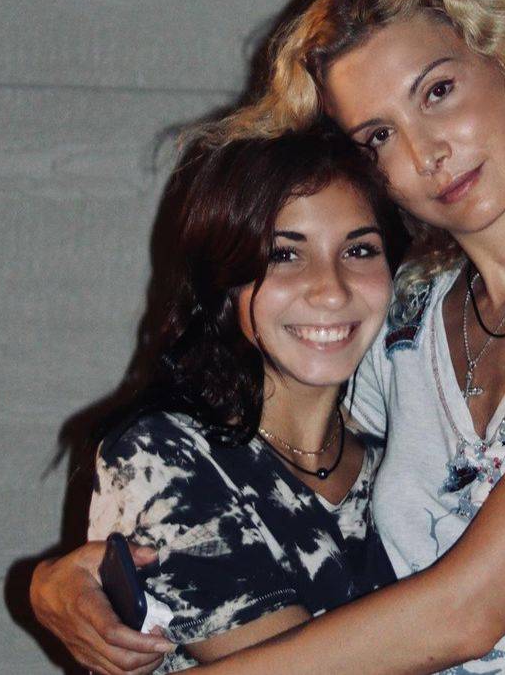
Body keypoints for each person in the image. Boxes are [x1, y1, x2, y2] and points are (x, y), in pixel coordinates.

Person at [31, 0, 505, 674]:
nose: (427, 152)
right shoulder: (406, 319)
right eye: (379, 135)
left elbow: (469, 611)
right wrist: (55, 582)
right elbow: (269, 457)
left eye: (438, 91)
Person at [70, 126, 409, 672]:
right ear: (226, 281)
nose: (331, 289)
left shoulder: (401, 455)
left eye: (359, 250)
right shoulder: (164, 456)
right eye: (284, 254)